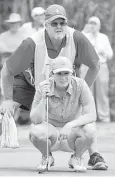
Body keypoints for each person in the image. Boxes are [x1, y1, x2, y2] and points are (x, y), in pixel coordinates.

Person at [0, 4, 107, 170]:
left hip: (64, 81)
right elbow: (8, 69)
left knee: (82, 118)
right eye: (54, 23)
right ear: (46, 25)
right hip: (33, 82)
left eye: (62, 23)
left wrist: (81, 90)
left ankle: (93, 155)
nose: (59, 26)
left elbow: (95, 64)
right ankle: (47, 156)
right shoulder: (31, 43)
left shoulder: (76, 38)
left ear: (66, 23)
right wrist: (8, 99)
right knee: (28, 121)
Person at [29, 56, 97, 172]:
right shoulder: (43, 87)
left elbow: (92, 115)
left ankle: (76, 158)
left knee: (91, 130)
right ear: (51, 74)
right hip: (51, 134)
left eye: (66, 73)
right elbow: (35, 119)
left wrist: (70, 125)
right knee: (35, 132)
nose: (63, 77)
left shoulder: (80, 85)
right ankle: (47, 157)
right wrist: (43, 99)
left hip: (72, 135)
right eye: (59, 73)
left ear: (73, 72)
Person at [81, 16, 113, 122]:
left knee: (102, 92)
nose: (92, 25)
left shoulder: (103, 37)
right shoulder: (84, 35)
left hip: (101, 66)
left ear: (99, 26)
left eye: (94, 23)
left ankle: (104, 116)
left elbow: (110, 54)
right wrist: (84, 31)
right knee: (86, 92)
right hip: (87, 66)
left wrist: (103, 52)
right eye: (90, 23)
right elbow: (77, 43)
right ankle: (87, 116)